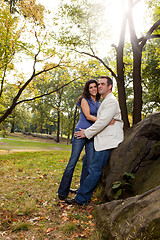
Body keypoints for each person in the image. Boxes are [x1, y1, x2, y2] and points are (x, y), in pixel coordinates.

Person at [65, 76, 124, 206]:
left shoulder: (111, 101)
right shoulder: (105, 101)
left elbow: (102, 122)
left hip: (108, 141)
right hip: (101, 139)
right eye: (99, 84)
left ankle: (81, 199)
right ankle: (82, 190)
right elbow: (103, 120)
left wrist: (86, 133)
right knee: (87, 161)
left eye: (102, 84)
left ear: (110, 87)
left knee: (94, 169)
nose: (99, 86)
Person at [58, 79, 101, 200]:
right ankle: (62, 192)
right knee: (73, 162)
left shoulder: (98, 102)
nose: (93, 89)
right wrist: (104, 121)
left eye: (95, 87)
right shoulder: (84, 100)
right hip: (80, 133)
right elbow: (88, 116)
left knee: (89, 163)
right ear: (87, 89)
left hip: (90, 134)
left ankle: (82, 189)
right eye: (91, 87)